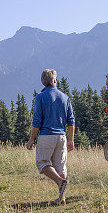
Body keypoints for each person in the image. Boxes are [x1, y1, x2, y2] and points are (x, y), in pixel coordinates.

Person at [26, 68, 75, 205]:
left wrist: (31, 139)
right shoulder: (65, 97)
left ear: (43, 82)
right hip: (62, 136)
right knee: (60, 166)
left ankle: (60, 182)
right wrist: (71, 140)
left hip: (46, 135)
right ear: (55, 81)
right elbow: (71, 120)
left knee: (42, 163)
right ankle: (62, 198)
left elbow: (37, 121)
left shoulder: (40, 97)